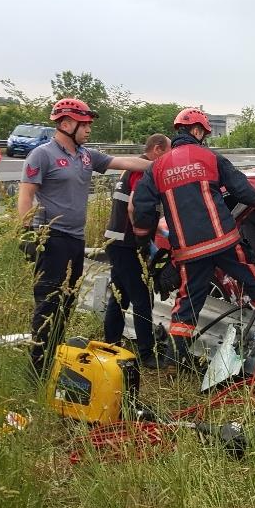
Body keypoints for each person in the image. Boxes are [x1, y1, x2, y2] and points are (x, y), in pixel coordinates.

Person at [131, 107, 255, 369]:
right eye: (203, 132)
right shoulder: (210, 157)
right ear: (197, 131)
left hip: (190, 250)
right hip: (223, 241)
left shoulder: (156, 168)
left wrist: (142, 240)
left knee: (188, 300)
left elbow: (143, 210)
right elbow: (242, 188)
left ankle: (174, 359)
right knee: (253, 279)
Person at [18, 98, 152, 379]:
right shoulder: (42, 155)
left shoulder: (87, 156)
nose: (89, 129)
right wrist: (27, 231)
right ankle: (37, 370)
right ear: (66, 124)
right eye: (85, 123)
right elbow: (26, 193)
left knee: (67, 302)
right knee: (48, 304)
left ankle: (52, 360)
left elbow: (124, 162)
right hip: (51, 238)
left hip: (75, 240)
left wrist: (160, 164)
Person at [102, 133, 171, 368]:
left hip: (116, 241)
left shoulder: (129, 168)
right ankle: (147, 354)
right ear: (158, 149)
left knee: (119, 295)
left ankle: (110, 344)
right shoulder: (144, 170)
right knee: (143, 298)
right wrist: (144, 241)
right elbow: (134, 207)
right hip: (127, 243)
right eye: (168, 152)